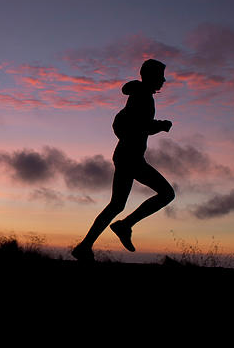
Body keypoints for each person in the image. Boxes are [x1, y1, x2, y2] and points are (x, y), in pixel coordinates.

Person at [71, 59, 175, 262]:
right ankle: (124, 226)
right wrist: (161, 125)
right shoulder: (143, 96)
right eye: (161, 75)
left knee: (116, 204)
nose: (163, 79)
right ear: (152, 75)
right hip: (131, 158)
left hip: (125, 156)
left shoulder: (139, 94)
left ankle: (85, 246)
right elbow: (140, 125)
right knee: (166, 193)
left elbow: (130, 122)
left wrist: (151, 126)